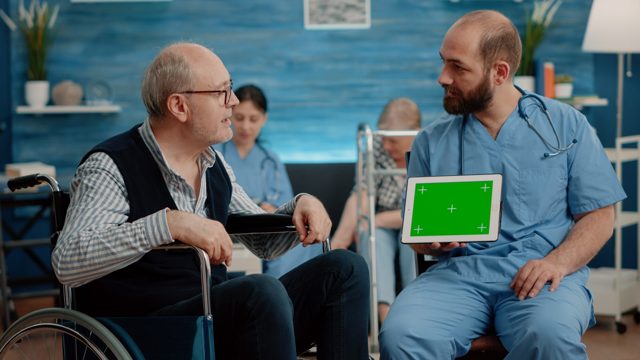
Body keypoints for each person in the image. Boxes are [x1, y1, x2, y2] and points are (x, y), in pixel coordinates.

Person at [52, 42, 370, 359]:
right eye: (221, 92)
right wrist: (169, 223)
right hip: (144, 332)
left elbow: (263, 241)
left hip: (209, 320)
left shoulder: (213, 163)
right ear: (179, 106)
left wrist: (299, 206)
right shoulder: (110, 165)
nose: (232, 102)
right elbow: (67, 261)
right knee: (260, 290)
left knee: (346, 268)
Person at [379, 10, 626, 360]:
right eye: (442, 62)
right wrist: (429, 240)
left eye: (457, 67)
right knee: (402, 336)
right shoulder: (431, 142)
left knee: (550, 338)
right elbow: (418, 236)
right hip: (459, 276)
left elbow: (600, 215)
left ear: (500, 72)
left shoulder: (566, 126)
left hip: (541, 276)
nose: (442, 77)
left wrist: (557, 262)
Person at [217, 84, 322, 278]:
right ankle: (278, 291)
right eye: (239, 118)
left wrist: (270, 209)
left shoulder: (271, 161)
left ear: (264, 119)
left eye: (253, 119)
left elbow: (288, 206)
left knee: (309, 243)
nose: (245, 126)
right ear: (229, 115)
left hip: (268, 228)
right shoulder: (215, 156)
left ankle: (288, 294)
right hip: (233, 232)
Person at [332, 98, 420, 324]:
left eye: (393, 141)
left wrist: (378, 218)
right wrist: (340, 239)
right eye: (384, 139)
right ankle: (385, 319)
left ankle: (415, 316)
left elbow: (422, 209)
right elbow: (360, 194)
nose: (387, 146)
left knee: (412, 238)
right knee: (372, 236)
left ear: (413, 134)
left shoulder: (427, 151)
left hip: (412, 220)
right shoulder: (377, 149)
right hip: (382, 224)